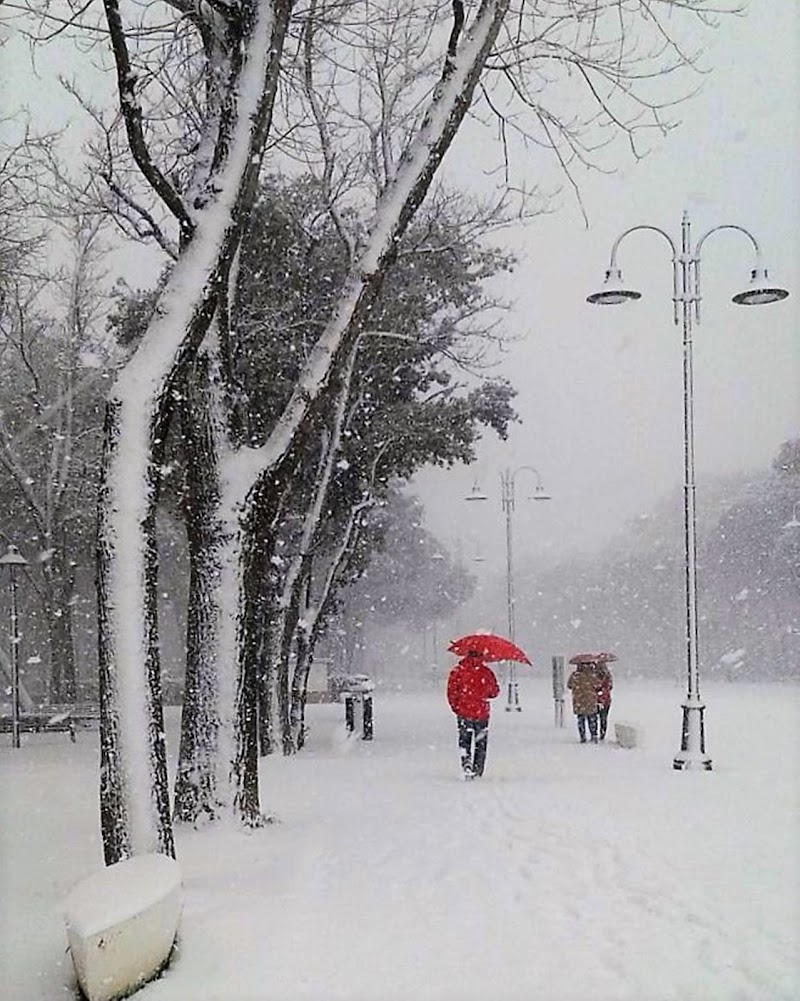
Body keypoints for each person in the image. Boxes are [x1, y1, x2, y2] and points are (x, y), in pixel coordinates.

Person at [446, 650, 500, 780]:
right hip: (481, 713)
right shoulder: (486, 673)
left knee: (464, 740)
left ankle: (466, 763)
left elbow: (451, 691)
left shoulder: (458, 671)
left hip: (464, 712)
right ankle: (478, 769)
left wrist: (456, 707)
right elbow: (494, 692)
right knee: (480, 742)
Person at [567, 661, 600, 743]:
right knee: (592, 719)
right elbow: (598, 685)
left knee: (581, 719)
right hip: (591, 700)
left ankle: (582, 736)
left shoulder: (575, 675)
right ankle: (594, 735)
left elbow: (569, 685)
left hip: (579, 700)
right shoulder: (592, 675)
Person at [594, 662, 613, 741]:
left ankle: (594, 734)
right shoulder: (608, 675)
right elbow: (610, 687)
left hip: (596, 699)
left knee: (594, 718)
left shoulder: (594, 676)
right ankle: (602, 734)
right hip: (606, 700)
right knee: (604, 718)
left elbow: (594, 687)